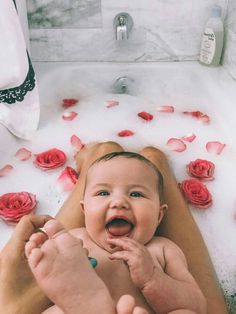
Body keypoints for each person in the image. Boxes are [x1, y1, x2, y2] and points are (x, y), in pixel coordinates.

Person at [0, 142, 228, 313]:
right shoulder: (74, 241)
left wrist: (153, 278)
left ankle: (90, 305)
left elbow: (196, 303)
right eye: (103, 193)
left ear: (160, 215)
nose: (119, 202)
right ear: (84, 209)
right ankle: (84, 303)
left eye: (136, 194)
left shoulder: (163, 250)